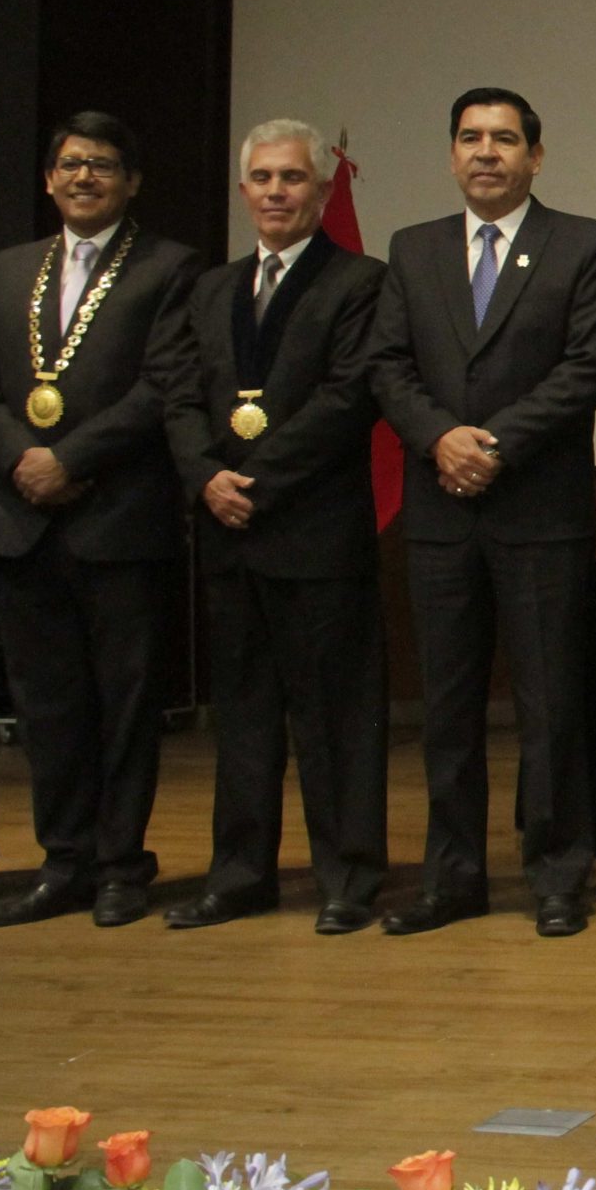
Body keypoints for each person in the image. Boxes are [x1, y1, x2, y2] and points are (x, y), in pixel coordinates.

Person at [369, 86, 596, 937]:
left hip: (539, 510)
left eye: (505, 139)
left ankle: (555, 874)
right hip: (440, 513)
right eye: (471, 138)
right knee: (447, 710)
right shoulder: (413, 250)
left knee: (550, 707)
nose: (487, 152)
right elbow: (389, 366)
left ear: (535, 157)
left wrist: (493, 443)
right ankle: (453, 877)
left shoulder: (583, 244)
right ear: (451, 155)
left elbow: (587, 367)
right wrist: (442, 440)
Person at [0, 111, 201, 929]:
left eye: (103, 165)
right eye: (70, 163)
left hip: (117, 519)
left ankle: (119, 865)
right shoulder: (8, 269)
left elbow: (164, 384)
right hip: (20, 520)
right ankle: (61, 860)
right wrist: (19, 461)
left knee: (125, 702)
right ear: (47, 177)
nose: (84, 177)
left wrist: (70, 458)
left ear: (131, 181)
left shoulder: (170, 267)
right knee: (48, 705)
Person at [163, 119, 390, 933]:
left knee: (334, 717)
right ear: (243, 189)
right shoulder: (213, 289)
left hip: (315, 529)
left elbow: (349, 395)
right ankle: (240, 873)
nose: (275, 192)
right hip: (229, 531)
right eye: (261, 178)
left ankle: (349, 877)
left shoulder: (359, 281)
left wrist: (255, 478)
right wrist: (205, 475)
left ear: (322, 192)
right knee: (245, 716)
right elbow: (180, 394)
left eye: (292, 179)